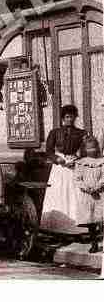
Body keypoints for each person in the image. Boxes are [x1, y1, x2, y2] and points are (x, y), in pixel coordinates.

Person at [41, 104, 87, 232]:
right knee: (58, 194)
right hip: (59, 169)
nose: (69, 120)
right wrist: (58, 159)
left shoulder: (81, 133)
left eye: (72, 117)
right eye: (67, 117)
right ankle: (56, 226)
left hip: (73, 166)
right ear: (62, 118)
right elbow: (48, 151)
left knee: (74, 194)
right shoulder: (55, 133)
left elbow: (85, 151)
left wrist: (76, 160)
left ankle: (74, 226)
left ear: (75, 118)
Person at [73, 137, 104, 253]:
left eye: (94, 148)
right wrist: (86, 187)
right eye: (89, 148)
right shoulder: (81, 163)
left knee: (101, 218)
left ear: (97, 148)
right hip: (87, 195)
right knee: (90, 220)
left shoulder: (101, 162)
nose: (92, 150)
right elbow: (77, 178)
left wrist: (98, 186)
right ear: (85, 149)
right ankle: (94, 243)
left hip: (100, 194)